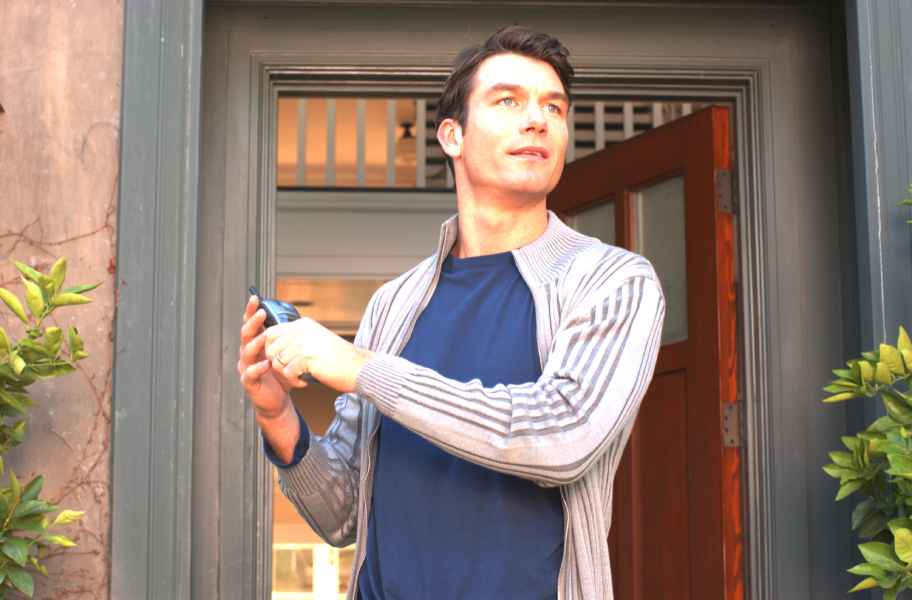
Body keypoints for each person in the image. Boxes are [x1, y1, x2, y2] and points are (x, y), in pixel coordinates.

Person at [238, 25, 665, 600]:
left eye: (554, 107)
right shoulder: (394, 304)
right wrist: (278, 417)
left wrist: (363, 368)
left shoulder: (612, 281)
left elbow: (563, 437)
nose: (537, 120)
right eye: (508, 100)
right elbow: (343, 514)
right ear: (452, 135)